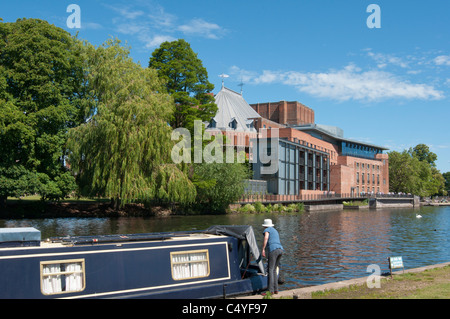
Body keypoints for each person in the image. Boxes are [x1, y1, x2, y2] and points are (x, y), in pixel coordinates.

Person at [261, 219, 283, 295]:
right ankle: (276, 290)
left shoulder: (267, 230)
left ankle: (270, 291)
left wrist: (263, 249)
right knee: (274, 270)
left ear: (265, 226)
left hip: (273, 250)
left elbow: (266, 238)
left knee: (270, 270)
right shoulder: (275, 230)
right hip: (280, 250)